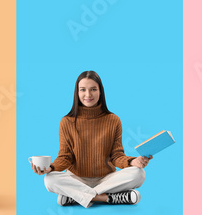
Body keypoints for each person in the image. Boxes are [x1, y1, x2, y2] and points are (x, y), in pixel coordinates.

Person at [34, 71, 149, 208]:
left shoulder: (113, 120)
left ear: (100, 92)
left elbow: (117, 156)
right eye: (83, 90)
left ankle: (75, 196)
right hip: (76, 179)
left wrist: (132, 161)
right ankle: (107, 198)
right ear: (77, 92)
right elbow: (65, 157)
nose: (88, 95)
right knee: (49, 179)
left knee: (139, 173)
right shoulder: (66, 122)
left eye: (93, 89)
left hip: (106, 179)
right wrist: (50, 168)